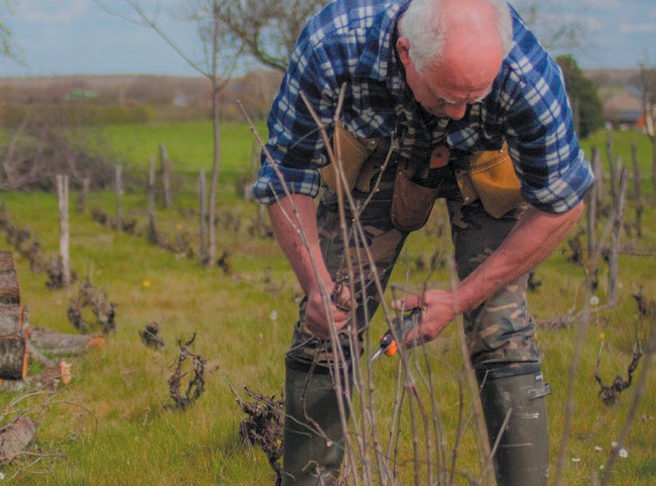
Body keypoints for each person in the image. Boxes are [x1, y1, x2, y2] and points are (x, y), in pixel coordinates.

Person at [249, 0, 594, 483]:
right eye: (446, 95)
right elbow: (287, 171)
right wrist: (314, 283)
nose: (459, 111)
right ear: (405, 52)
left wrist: (460, 299)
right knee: (328, 317)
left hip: (485, 162)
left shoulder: (525, 72)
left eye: (475, 96)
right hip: (378, 151)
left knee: (501, 329)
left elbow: (563, 202)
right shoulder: (334, 42)